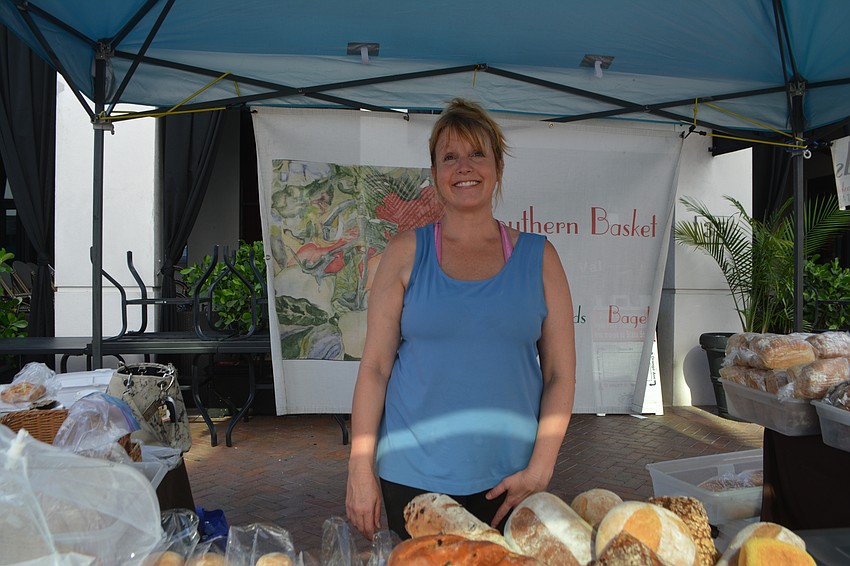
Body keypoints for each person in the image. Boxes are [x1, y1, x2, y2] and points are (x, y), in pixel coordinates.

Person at [345, 98, 577, 541]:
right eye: (449, 157)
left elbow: (560, 374)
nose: (463, 166)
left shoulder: (540, 257)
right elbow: (374, 368)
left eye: (476, 154)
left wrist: (540, 470)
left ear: (498, 167)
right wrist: (360, 468)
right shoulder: (405, 253)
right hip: (411, 478)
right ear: (434, 175)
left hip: (509, 483)